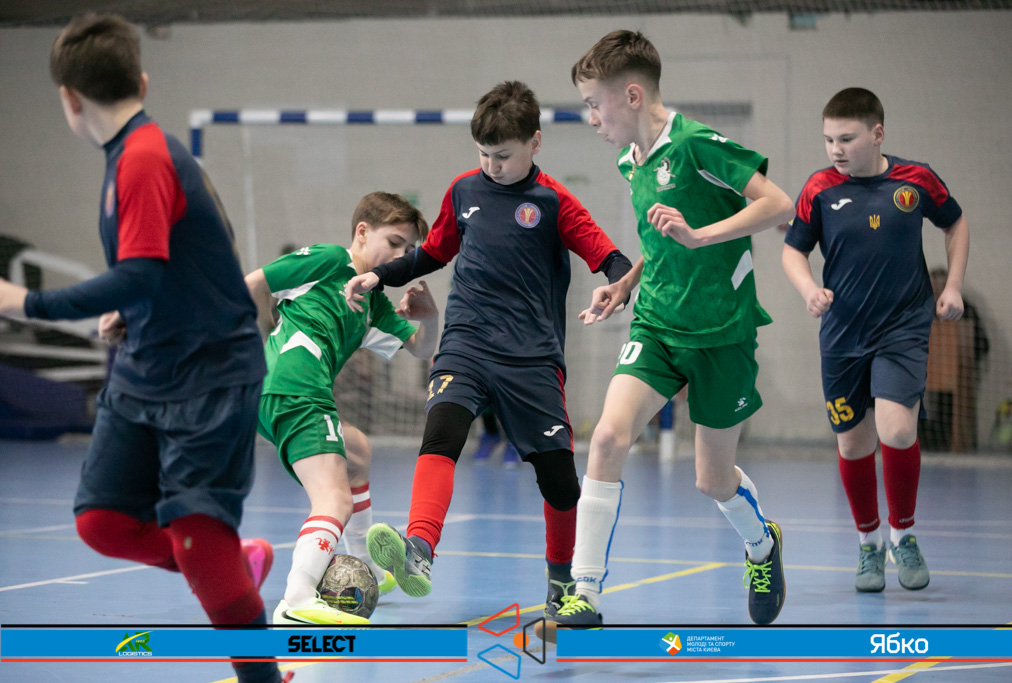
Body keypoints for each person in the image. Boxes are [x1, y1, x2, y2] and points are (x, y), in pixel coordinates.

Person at [0, 14, 285, 683]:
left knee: (199, 540)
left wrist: (23, 303)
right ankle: (235, 563)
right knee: (101, 520)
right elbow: (171, 267)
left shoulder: (145, 156)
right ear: (142, 81)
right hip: (146, 370)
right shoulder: (129, 155)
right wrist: (134, 310)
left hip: (209, 377)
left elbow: (141, 272)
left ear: (69, 99)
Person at [344, 81, 633, 619]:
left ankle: (561, 579)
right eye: (483, 154)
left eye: (503, 155)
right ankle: (419, 549)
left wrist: (619, 286)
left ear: (535, 143)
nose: (492, 166)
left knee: (559, 482)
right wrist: (378, 277)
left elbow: (608, 256)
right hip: (467, 343)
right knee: (442, 433)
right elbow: (431, 255)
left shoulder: (554, 202)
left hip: (532, 358)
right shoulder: (463, 192)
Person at [544, 30, 796, 636]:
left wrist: (700, 235)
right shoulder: (630, 161)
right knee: (607, 438)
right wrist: (625, 283)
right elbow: (660, 243)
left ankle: (762, 545)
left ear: (631, 95)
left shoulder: (695, 145)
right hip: (657, 324)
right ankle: (583, 592)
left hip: (722, 331)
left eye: (595, 104)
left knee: (713, 480)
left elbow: (779, 205)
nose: (591, 117)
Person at [782, 87, 970, 593]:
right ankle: (869, 544)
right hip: (843, 334)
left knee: (898, 431)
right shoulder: (819, 188)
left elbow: (955, 223)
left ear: (878, 133)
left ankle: (903, 534)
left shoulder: (915, 179)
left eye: (847, 138)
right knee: (853, 443)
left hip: (902, 328)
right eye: (829, 139)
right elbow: (793, 250)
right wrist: (808, 289)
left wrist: (952, 285)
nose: (835, 149)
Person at [245, 192, 439, 625]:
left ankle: (368, 568)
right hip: (295, 387)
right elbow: (253, 285)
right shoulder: (331, 261)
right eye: (394, 243)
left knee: (357, 451)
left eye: (409, 250)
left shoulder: (373, 302)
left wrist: (429, 318)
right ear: (362, 232)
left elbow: (421, 348)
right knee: (333, 498)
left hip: (292, 393)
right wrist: (265, 340)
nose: (401, 257)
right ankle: (296, 599)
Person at [918, 267, 988, 451]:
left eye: (939, 286)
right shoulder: (924, 308)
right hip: (928, 370)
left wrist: (964, 361)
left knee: (948, 404)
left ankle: (951, 442)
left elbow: (982, 345)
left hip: (958, 375)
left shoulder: (964, 309)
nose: (935, 290)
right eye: (932, 286)